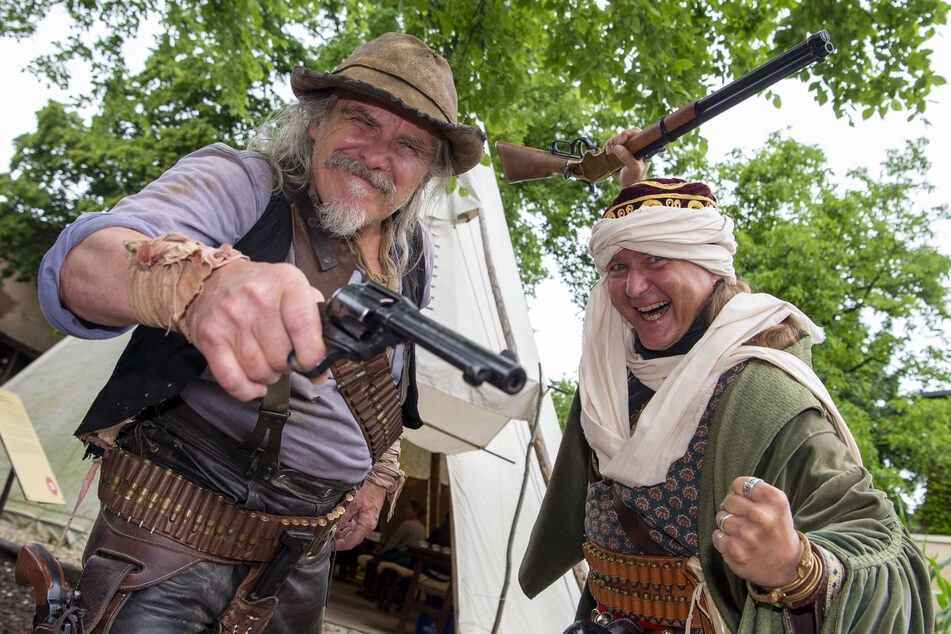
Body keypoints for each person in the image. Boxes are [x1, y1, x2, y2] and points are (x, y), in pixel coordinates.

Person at [36, 32, 485, 633]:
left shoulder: (416, 256)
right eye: (361, 121)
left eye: (409, 145)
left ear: (426, 173)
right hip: (174, 529)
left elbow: (391, 379)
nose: (378, 155)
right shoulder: (247, 183)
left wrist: (377, 474)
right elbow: (81, 265)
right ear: (314, 125)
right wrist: (196, 288)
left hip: (304, 555)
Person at [518, 127, 934, 633]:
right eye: (619, 266)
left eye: (657, 258)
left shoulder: (766, 395)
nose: (634, 285)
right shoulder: (610, 373)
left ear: (711, 267)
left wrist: (798, 567)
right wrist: (633, 183)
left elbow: (890, 556)